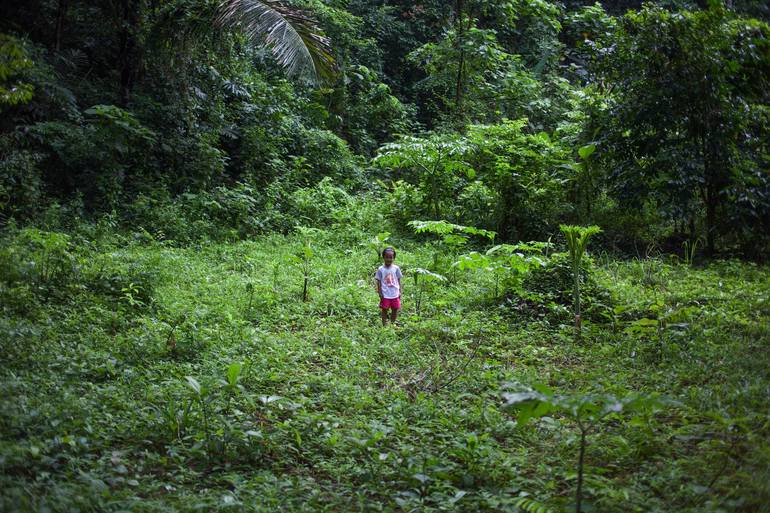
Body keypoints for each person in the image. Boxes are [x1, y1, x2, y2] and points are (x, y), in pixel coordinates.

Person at [375, 247, 403, 326]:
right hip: (385, 294)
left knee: (395, 309)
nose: (388, 259)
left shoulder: (396, 268)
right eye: (387, 257)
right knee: (384, 309)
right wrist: (380, 292)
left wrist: (400, 291)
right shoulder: (381, 269)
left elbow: (398, 280)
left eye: (391, 257)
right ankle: (384, 324)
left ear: (394, 258)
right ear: (383, 257)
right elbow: (379, 281)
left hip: (395, 293)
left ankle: (392, 323)